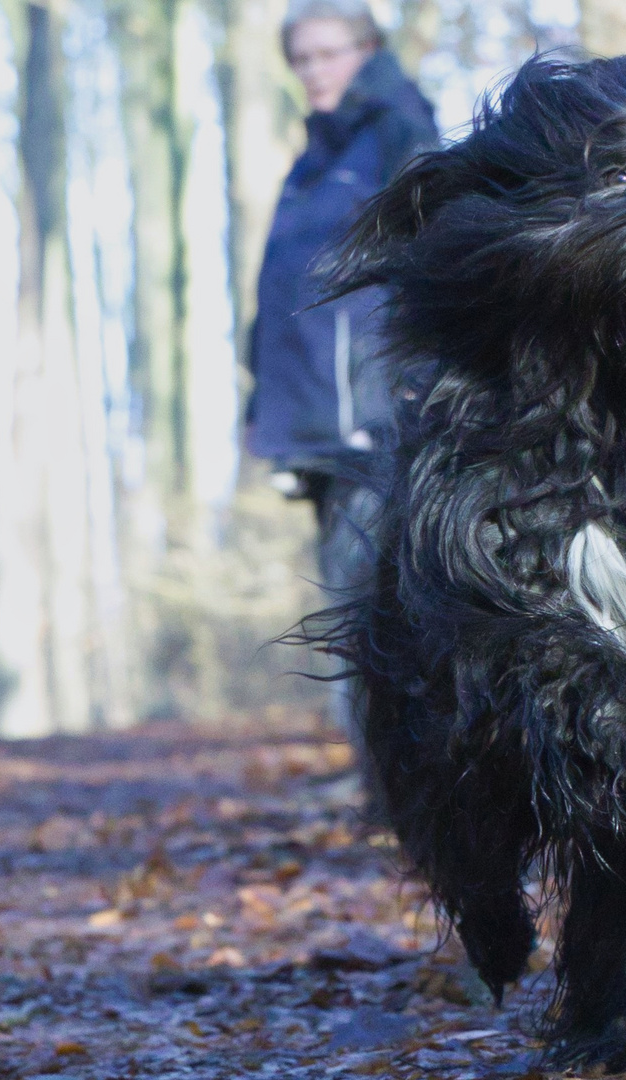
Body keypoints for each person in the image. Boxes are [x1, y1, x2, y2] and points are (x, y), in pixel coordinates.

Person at [247, 1, 437, 732]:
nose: (313, 72)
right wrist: (256, 405)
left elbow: (434, 252)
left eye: (328, 54)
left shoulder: (398, 131)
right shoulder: (314, 158)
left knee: (380, 602)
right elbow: (281, 292)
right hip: (315, 419)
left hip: (380, 408)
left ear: (368, 49)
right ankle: (369, 770)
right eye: (300, 59)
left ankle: (391, 779)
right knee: (345, 596)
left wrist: (415, 372)